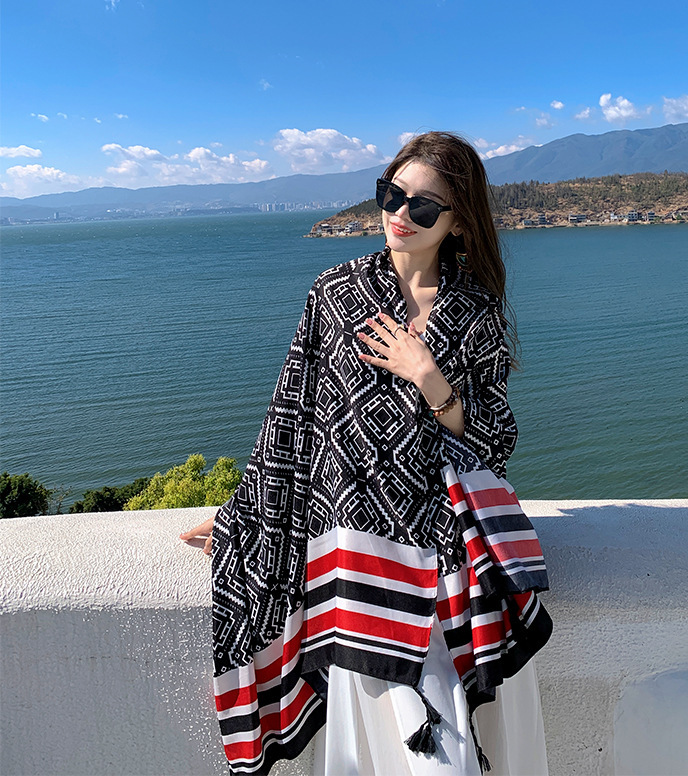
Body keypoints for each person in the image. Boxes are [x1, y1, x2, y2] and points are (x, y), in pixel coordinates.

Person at [181, 132, 552, 775]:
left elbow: (495, 440)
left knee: (443, 755)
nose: (401, 215)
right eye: (392, 195)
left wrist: (429, 377)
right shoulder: (336, 294)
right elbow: (292, 421)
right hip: (355, 555)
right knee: (378, 749)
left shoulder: (475, 312)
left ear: (459, 222)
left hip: (446, 556)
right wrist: (245, 518)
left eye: (424, 206)